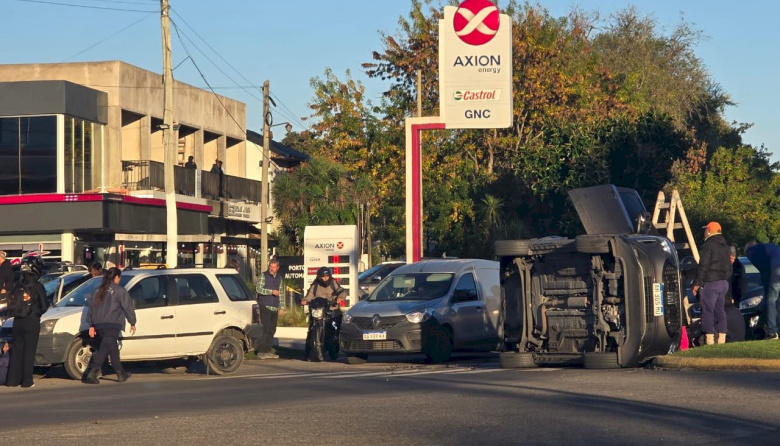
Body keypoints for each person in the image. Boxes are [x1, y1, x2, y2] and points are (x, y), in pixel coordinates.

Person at [82, 267, 137, 384]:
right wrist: (132, 322)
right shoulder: (120, 290)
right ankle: (92, 372)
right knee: (105, 348)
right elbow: (127, 307)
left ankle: (120, 373)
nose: (119, 280)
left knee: (112, 348)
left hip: (99, 324)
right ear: (116, 277)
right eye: (119, 278)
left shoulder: (98, 290)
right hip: (113, 323)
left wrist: (91, 324)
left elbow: (92, 308)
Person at [5, 256, 48, 388]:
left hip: (17, 321)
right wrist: (36, 312)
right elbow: (44, 306)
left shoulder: (17, 285)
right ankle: (27, 381)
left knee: (17, 350)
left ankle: (12, 380)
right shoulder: (38, 286)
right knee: (29, 352)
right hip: (31, 321)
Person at [691, 222, 732, 345]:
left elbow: (703, 265)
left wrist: (697, 283)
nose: (704, 232)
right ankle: (722, 338)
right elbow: (729, 267)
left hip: (711, 282)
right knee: (720, 310)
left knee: (708, 311)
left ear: (709, 231)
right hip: (723, 283)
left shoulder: (708, 245)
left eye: (706, 230)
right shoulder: (726, 246)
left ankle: (709, 339)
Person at [301, 267, 347, 360]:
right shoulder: (315, 285)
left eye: (327, 276)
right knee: (311, 328)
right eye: (323, 277)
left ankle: (335, 343)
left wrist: (340, 298)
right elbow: (309, 296)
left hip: (332, 310)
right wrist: (305, 300)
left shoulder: (333, 283)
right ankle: (307, 352)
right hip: (319, 311)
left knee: (337, 325)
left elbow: (342, 291)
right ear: (319, 277)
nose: (325, 279)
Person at [744, 240, 780, 340]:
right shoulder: (767, 247)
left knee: (771, 300)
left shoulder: (752, 252)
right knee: (778, 301)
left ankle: (772, 331)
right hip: (776, 267)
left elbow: (763, 270)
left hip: (776, 269)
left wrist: (766, 285)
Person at [255, 259, 285, 359]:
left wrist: (282, 307)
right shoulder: (263, 276)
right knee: (265, 329)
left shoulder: (279, 278)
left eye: (274, 267)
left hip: (274, 307)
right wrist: (271, 292)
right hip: (265, 306)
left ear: (277, 268)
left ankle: (267, 350)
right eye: (270, 267)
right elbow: (258, 289)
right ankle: (261, 351)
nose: (272, 269)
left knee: (272, 330)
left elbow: (281, 293)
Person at [725, 246, 745, 342]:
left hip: (734, 296)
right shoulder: (725, 265)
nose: (731, 260)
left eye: (733, 258)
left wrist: (736, 297)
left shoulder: (738, 267)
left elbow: (740, 284)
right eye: (730, 258)